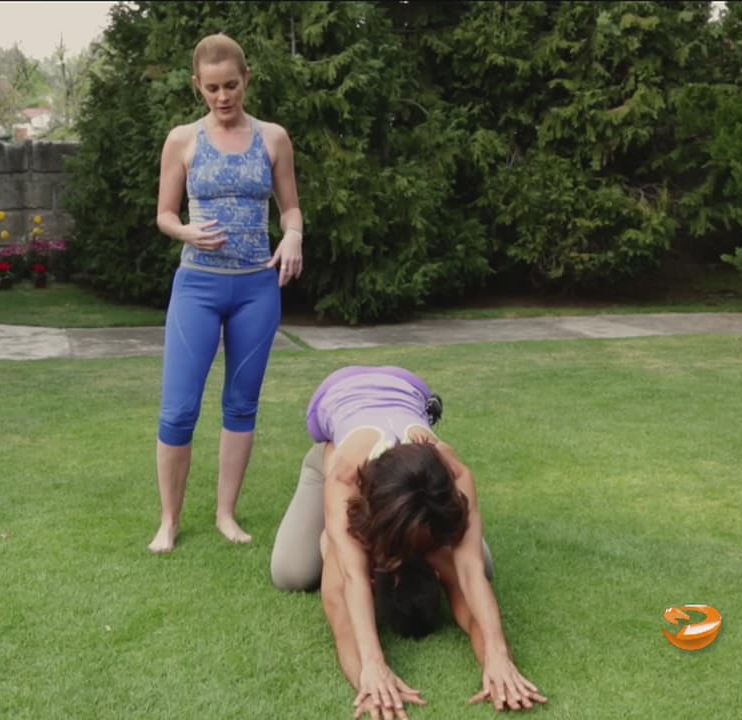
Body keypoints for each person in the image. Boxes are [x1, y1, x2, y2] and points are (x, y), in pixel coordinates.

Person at [271, 366, 547, 718]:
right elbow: (350, 585)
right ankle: (338, 538)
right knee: (291, 572)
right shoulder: (345, 476)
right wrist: (371, 668)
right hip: (334, 418)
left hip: (407, 389)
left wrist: (499, 658)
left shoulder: (456, 474)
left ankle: (408, 547)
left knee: (479, 564)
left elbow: (472, 575)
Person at [150, 33, 304, 553]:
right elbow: (165, 215)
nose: (223, 97)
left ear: (247, 80)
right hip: (197, 286)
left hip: (257, 289)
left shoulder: (274, 138)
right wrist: (186, 231)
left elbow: (289, 208)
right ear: (198, 85)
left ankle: (225, 514)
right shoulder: (183, 140)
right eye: (212, 88)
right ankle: (169, 521)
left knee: (241, 405)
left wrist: (295, 237)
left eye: (231, 85)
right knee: (177, 409)